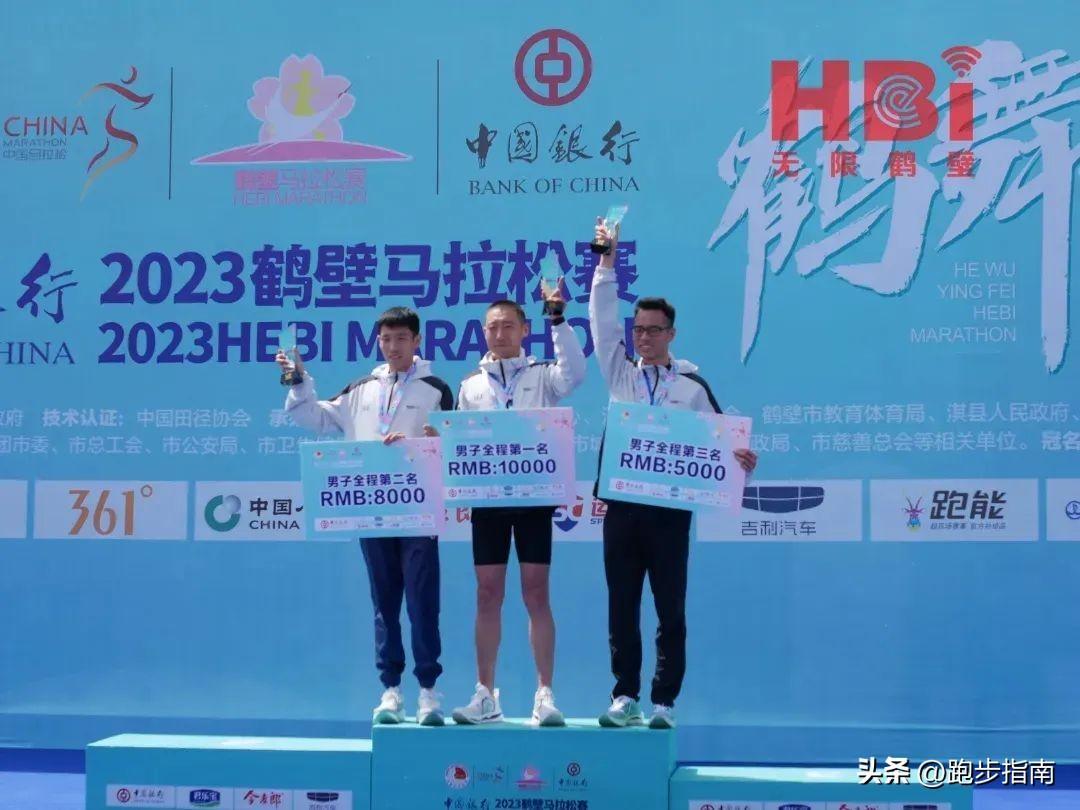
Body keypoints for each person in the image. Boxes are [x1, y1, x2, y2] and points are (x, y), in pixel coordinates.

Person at [588, 216, 758, 730]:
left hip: (668, 513)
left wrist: (742, 460)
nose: (643, 337)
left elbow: (724, 444)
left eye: (653, 330)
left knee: (670, 609)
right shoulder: (621, 376)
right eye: (638, 329)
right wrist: (607, 263)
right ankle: (625, 695)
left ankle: (664, 701)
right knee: (621, 606)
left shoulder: (692, 387)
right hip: (623, 508)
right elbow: (601, 321)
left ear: (671, 334)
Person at [277, 307, 453, 726]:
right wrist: (300, 380)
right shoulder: (361, 389)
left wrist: (433, 439)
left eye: (402, 338)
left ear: (417, 341)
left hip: (417, 512)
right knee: (384, 602)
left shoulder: (437, 390)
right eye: (386, 339)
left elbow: (456, 443)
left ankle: (428, 691)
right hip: (373, 512)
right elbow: (313, 417)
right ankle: (391, 690)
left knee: (422, 603)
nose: (393, 347)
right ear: (379, 342)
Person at [450, 284, 586, 726]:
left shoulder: (544, 375)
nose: (500, 333)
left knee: (535, 592)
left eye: (509, 326)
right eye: (493, 327)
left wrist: (558, 319)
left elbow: (576, 374)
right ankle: (485, 694)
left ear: (525, 330)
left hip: (534, 499)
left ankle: (545, 694)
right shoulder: (470, 386)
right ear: (483, 333)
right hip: (487, 502)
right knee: (487, 594)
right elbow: (457, 442)